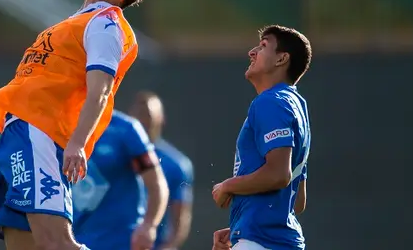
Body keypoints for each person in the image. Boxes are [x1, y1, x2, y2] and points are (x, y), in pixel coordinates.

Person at [0, 0, 154, 250]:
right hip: (22, 139)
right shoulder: (76, 22)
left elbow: (100, 89)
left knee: (56, 243)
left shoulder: (106, 22)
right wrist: (1, 168)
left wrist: (77, 143)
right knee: (23, 245)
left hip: (42, 136)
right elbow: (41, 91)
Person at [211, 25, 312, 250]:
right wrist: (242, 225)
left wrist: (229, 186)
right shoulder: (297, 105)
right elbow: (297, 201)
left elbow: (278, 175)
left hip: (262, 241)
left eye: (264, 45)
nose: (252, 52)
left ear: (281, 59)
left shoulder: (270, 101)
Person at [71, 110, 169, 250]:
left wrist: (149, 226)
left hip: (120, 241)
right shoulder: (59, 126)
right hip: (73, 239)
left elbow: (156, 184)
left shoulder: (126, 129)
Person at [129, 91, 194, 250]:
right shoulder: (115, 155)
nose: (142, 120)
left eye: (147, 115)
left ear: (161, 119)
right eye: (138, 114)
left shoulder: (176, 165)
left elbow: (181, 214)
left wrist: (170, 246)